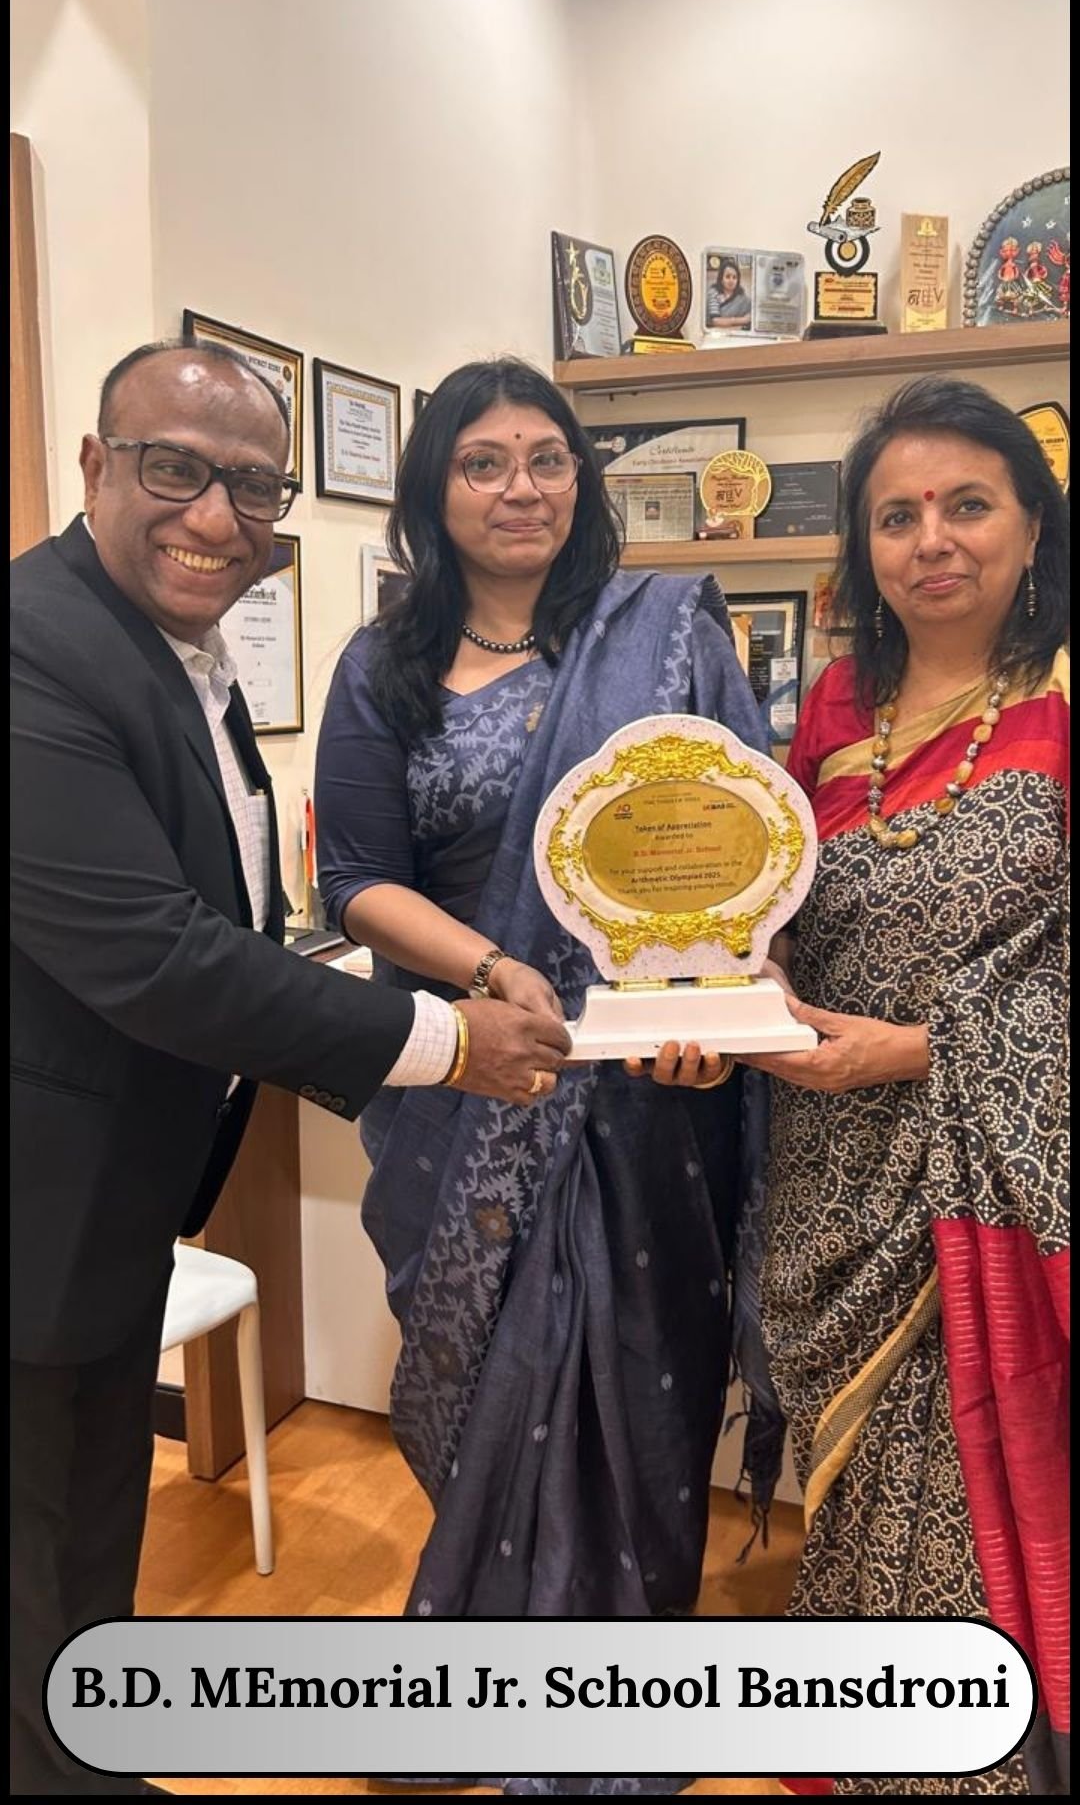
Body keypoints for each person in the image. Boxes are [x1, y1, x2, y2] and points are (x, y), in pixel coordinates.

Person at [10, 340, 571, 1799]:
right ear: (95, 466)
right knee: (31, 1548)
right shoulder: (31, 644)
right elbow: (158, 954)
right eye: (175, 470)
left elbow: (227, 916)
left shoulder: (172, 654)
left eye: (254, 487)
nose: (218, 516)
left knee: (82, 1531)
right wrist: (449, 1039)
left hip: (106, 1199)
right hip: (32, 1201)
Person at [653, 376, 1070, 1798]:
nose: (931, 540)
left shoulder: (1062, 692)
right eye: (897, 516)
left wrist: (924, 1050)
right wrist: (722, 999)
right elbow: (764, 906)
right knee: (858, 1490)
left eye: (968, 506)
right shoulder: (838, 706)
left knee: (962, 1483)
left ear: (1033, 526)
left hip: (997, 1180)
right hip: (828, 1166)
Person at [314, 357, 771, 1651]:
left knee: (643, 1382)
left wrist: (721, 1012)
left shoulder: (666, 633)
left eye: (547, 458)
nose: (520, 488)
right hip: (475, 1073)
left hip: (647, 1091)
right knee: (479, 1386)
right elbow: (356, 881)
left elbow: (747, 845)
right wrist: (490, 972)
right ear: (433, 490)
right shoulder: (383, 665)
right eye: (483, 463)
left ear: (581, 477)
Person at [705, 255, 752, 330]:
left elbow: (752, 315)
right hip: (715, 332)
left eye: (734, 277)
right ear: (721, 279)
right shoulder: (713, 292)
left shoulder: (742, 297)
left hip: (736, 332)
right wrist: (743, 320)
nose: (731, 280)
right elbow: (715, 321)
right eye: (727, 276)